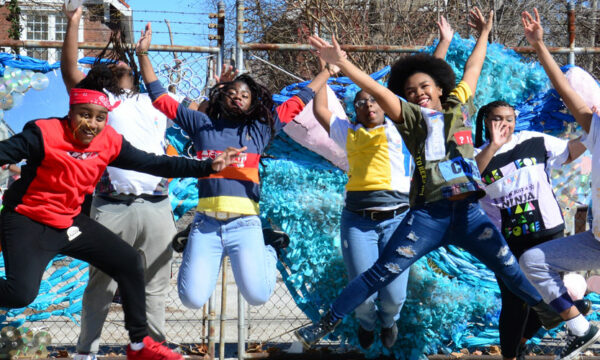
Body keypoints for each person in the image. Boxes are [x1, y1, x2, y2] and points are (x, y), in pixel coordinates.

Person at [295, 7, 574, 349]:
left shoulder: (458, 103)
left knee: (510, 269)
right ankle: (328, 321)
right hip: (429, 215)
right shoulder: (410, 118)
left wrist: (485, 33)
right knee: (382, 272)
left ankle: (553, 314)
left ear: (440, 88)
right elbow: (376, 90)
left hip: (469, 215)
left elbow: (473, 68)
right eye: (410, 91)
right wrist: (341, 62)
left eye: (424, 87)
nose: (418, 94)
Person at [0, 65, 244, 360]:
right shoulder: (43, 133)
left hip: (68, 221)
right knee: (20, 294)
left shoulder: (110, 141)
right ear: (71, 111)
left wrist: (207, 166)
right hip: (28, 220)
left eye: (100, 118)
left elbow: (156, 163)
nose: (92, 124)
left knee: (129, 261)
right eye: (85, 115)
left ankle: (140, 345)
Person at [134, 23, 331, 309]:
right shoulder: (202, 124)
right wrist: (143, 55)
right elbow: (160, 99)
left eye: (244, 95)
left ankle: (269, 246)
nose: (238, 97)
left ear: (252, 103)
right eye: (232, 93)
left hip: (245, 224)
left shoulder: (260, 129)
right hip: (206, 224)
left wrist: (326, 72)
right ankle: (191, 241)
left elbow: (298, 102)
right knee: (191, 299)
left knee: (258, 296)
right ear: (222, 95)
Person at [308, 16, 455, 350]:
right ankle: (366, 322)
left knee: (393, 295)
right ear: (354, 109)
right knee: (361, 289)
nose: (369, 104)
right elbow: (319, 108)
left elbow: (427, 86)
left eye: (374, 99)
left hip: (398, 220)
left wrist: (443, 42)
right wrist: (325, 71)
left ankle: (388, 321)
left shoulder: (401, 128)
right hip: (357, 221)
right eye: (361, 102)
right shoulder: (347, 132)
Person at [59, 6, 191, 359]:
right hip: (112, 206)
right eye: (115, 67)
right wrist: (73, 23)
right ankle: (86, 351)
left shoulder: (157, 101)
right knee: (102, 282)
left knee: (156, 284)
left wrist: (224, 88)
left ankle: (154, 348)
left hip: (157, 205)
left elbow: (201, 113)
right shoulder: (101, 104)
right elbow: (70, 71)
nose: (122, 67)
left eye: (126, 66)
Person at [474, 100, 588, 360]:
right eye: (497, 119)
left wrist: (592, 133)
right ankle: (510, 356)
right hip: (507, 241)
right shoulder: (477, 155)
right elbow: (472, 181)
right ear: (486, 122)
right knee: (515, 301)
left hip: (549, 233)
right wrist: (493, 146)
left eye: (509, 118)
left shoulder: (532, 140)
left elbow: (569, 152)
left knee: (550, 296)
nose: (505, 124)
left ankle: (521, 343)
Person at [518, 8, 600, 360]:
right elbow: (567, 92)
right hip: (596, 243)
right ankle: (582, 329)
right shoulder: (597, 130)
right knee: (534, 260)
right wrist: (539, 46)